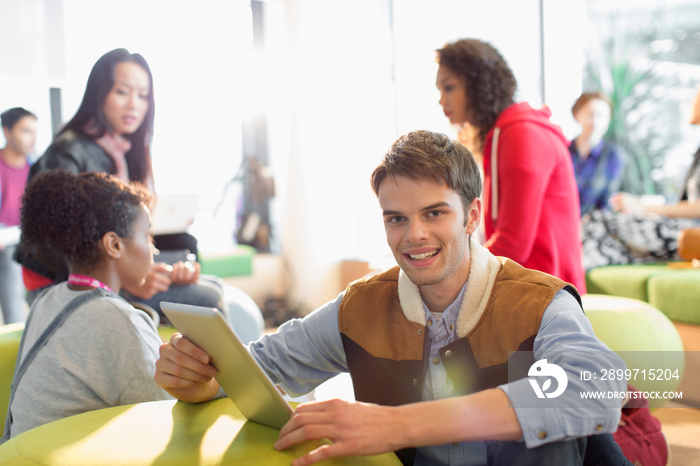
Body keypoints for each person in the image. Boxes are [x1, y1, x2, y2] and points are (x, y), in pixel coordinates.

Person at [154, 131, 630, 466]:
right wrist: (202, 379)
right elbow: (262, 365)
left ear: (472, 216)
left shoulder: (539, 302)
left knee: (548, 436)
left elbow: (596, 387)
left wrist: (399, 426)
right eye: (396, 218)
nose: (414, 235)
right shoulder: (361, 307)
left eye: (435, 213)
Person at [13, 48, 264, 341]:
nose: (134, 104)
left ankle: (212, 381)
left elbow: (125, 235)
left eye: (143, 95)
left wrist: (166, 268)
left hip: (115, 274)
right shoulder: (67, 152)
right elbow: (45, 246)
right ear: (99, 93)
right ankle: (222, 384)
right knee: (207, 299)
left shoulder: (124, 151)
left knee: (208, 279)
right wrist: (131, 281)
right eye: (122, 92)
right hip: (63, 285)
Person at [2, 170, 171, 441]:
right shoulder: (119, 321)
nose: (155, 250)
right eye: (148, 236)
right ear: (114, 245)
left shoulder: (48, 298)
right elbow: (169, 414)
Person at [435, 38, 586, 293]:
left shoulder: (521, 134)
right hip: (535, 284)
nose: (441, 101)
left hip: (543, 294)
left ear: (477, 85)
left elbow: (513, 244)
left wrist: (447, 272)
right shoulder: (507, 131)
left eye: (448, 88)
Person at [582, 84, 700, 270]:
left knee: (600, 222)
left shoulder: (613, 155)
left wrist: (643, 207)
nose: (694, 100)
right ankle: (573, 285)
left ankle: (566, 285)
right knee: (599, 236)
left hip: (689, 233)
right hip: (683, 228)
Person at [0, 107, 36, 324]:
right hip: (5, 244)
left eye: (34, 131)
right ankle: (16, 328)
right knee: (11, 259)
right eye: (25, 131)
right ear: (7, 132)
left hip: (28, 238)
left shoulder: (36, 168)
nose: (32, 138)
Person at [569, 92, 624, 217]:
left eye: (602, 116)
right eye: (590, 114)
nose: (595, 121)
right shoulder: (563, 151)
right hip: (561, 223)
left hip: (594, 225)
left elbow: (607, 202)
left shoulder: (613, 156)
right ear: (577, 114)